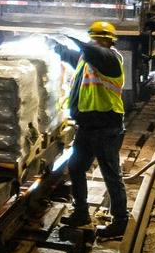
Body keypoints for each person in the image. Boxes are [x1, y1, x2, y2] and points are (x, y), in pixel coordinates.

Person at [52, 20, 128, 237]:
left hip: (106, 126)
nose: (93, 42)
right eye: (92, 39)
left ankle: (120, 222)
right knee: (76, 167)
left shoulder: (110, 59)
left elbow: (93, 52)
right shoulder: (85, 60)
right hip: (87, 127)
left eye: (97, 39)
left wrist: (68, 35)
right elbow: (69, 54)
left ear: (109, 42)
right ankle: (81, 212)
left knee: (111, 175)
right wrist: (51, 42)